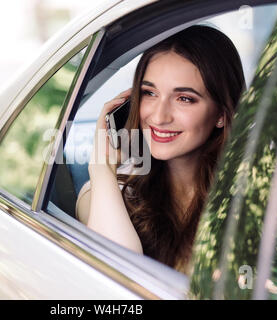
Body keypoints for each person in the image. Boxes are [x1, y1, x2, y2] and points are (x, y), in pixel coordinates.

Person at [75, 25, 246, 274]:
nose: (159, 116)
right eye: (150, 93)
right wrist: (101, 167)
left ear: (221, 114)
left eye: (184, 98)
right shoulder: (106, 191)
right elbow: (115, 281)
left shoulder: (251, 196)